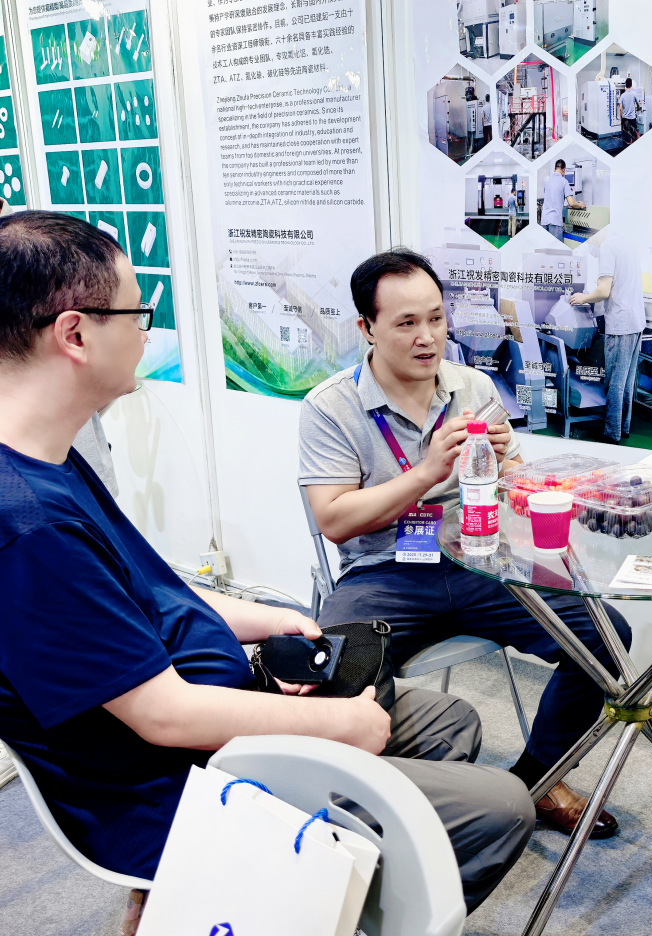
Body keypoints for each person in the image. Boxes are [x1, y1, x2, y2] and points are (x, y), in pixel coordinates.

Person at [0, 213, 534, 912]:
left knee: (449, 722)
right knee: (500, 807)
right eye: (137, 315)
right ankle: (311, 888)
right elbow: (163, 717)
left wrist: (270, 620)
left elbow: (145, 593)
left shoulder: (53, 462)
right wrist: (337, 727)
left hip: (223, 701)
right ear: (74, 335)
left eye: (435, 319)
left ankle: (360, 870)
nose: (147, 335)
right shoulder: (30, 525)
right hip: (185, 779)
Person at [299, 247, 632, 838]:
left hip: (481, 561)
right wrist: (427, 472)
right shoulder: (330, 407)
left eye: (436, 318)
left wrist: (507, 468)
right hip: (383, 571)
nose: (427, 337)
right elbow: (334, 519)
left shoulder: (473, 386)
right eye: (406, 323)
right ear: (366, 327)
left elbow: (514, 485)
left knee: (604, 637)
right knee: (339, 668)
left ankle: (538, 780)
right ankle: (378, 807)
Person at [570, 230, 645, 444]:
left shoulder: (607, 247)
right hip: (636, 322)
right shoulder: (626, 242)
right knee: (627, 381)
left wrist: (583, 298)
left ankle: (612, 434)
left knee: (614, 383)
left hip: (621, 324)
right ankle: (623, 427)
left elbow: (603, 290)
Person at [540, 159, 584, 244]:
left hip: (544, 220)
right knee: (556, 250)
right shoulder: (564, 181)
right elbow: (571, 203)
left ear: (555, 169)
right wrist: (580, 205)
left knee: (545, 248)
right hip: (555, 222)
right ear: (564, 170)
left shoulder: (547, 180)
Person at [618, 78, 641, 146]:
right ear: (631, 85)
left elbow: (620, 109)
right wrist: (637, 109)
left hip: (625, 119)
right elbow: (638, 105)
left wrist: (621, 118)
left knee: (626, 138)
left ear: (625, 85)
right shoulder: (634, 94)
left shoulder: (622, 95)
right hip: (632, 119)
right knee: (634, 137)